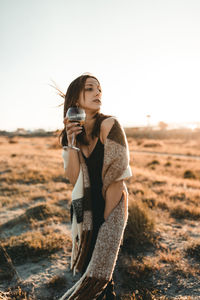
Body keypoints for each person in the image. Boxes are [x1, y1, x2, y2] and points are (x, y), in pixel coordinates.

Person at [59, 73, 132, 300]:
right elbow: (74, 179)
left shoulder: (110, 125)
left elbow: (117, 178)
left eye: (99, 89)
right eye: (90, 89)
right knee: (88, 270)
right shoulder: (71, 135)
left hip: (110, 206)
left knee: (101, 275)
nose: (98, 93)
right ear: (75, 98)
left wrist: (106, 226)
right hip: (84, 211)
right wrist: (71, 145)